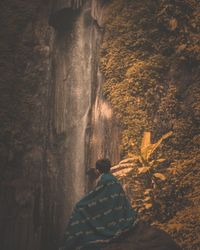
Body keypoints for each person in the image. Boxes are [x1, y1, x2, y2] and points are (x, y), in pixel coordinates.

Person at [60, 159, 137, 250]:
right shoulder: (113, 178)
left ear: (98, 170)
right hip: (117, 210)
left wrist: (82, 204)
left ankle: (75, 241)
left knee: (79, 208)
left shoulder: (104, 179)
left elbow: (96, 195)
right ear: (109, 168)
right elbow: (104, 196)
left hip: (109, 208)